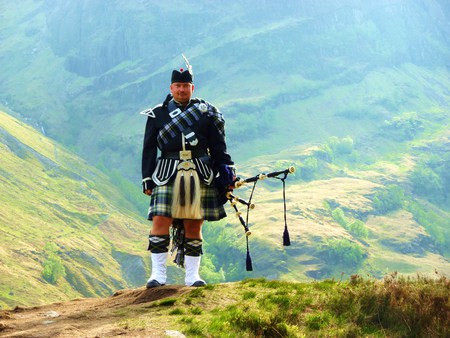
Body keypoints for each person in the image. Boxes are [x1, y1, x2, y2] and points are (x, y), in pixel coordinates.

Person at [141, 59, 235, 288]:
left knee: (194, 224)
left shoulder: (206, 113)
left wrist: (227, 172)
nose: (182, 89)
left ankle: (192, 276)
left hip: (200, 171)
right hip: (166, 172)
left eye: (186, 85)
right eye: (177, 85)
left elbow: (218, 146)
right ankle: (158, 275)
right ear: (171, 88)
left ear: (192, 88)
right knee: (161, 220)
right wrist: (147, 178)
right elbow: (149, 148)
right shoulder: (157, 115)